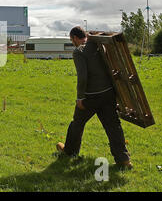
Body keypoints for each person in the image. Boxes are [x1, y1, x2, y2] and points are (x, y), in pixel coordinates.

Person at [56, 26, 132, 169]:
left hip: (91, 98)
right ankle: (123, 160)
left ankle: (69, 151)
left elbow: (83, 77)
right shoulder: (99, 46)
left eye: (71, 40)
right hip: (108, 94)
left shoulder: (79, 51)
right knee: (113, 126)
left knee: (77, 123)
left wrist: (80, 98)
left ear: (74, 38)